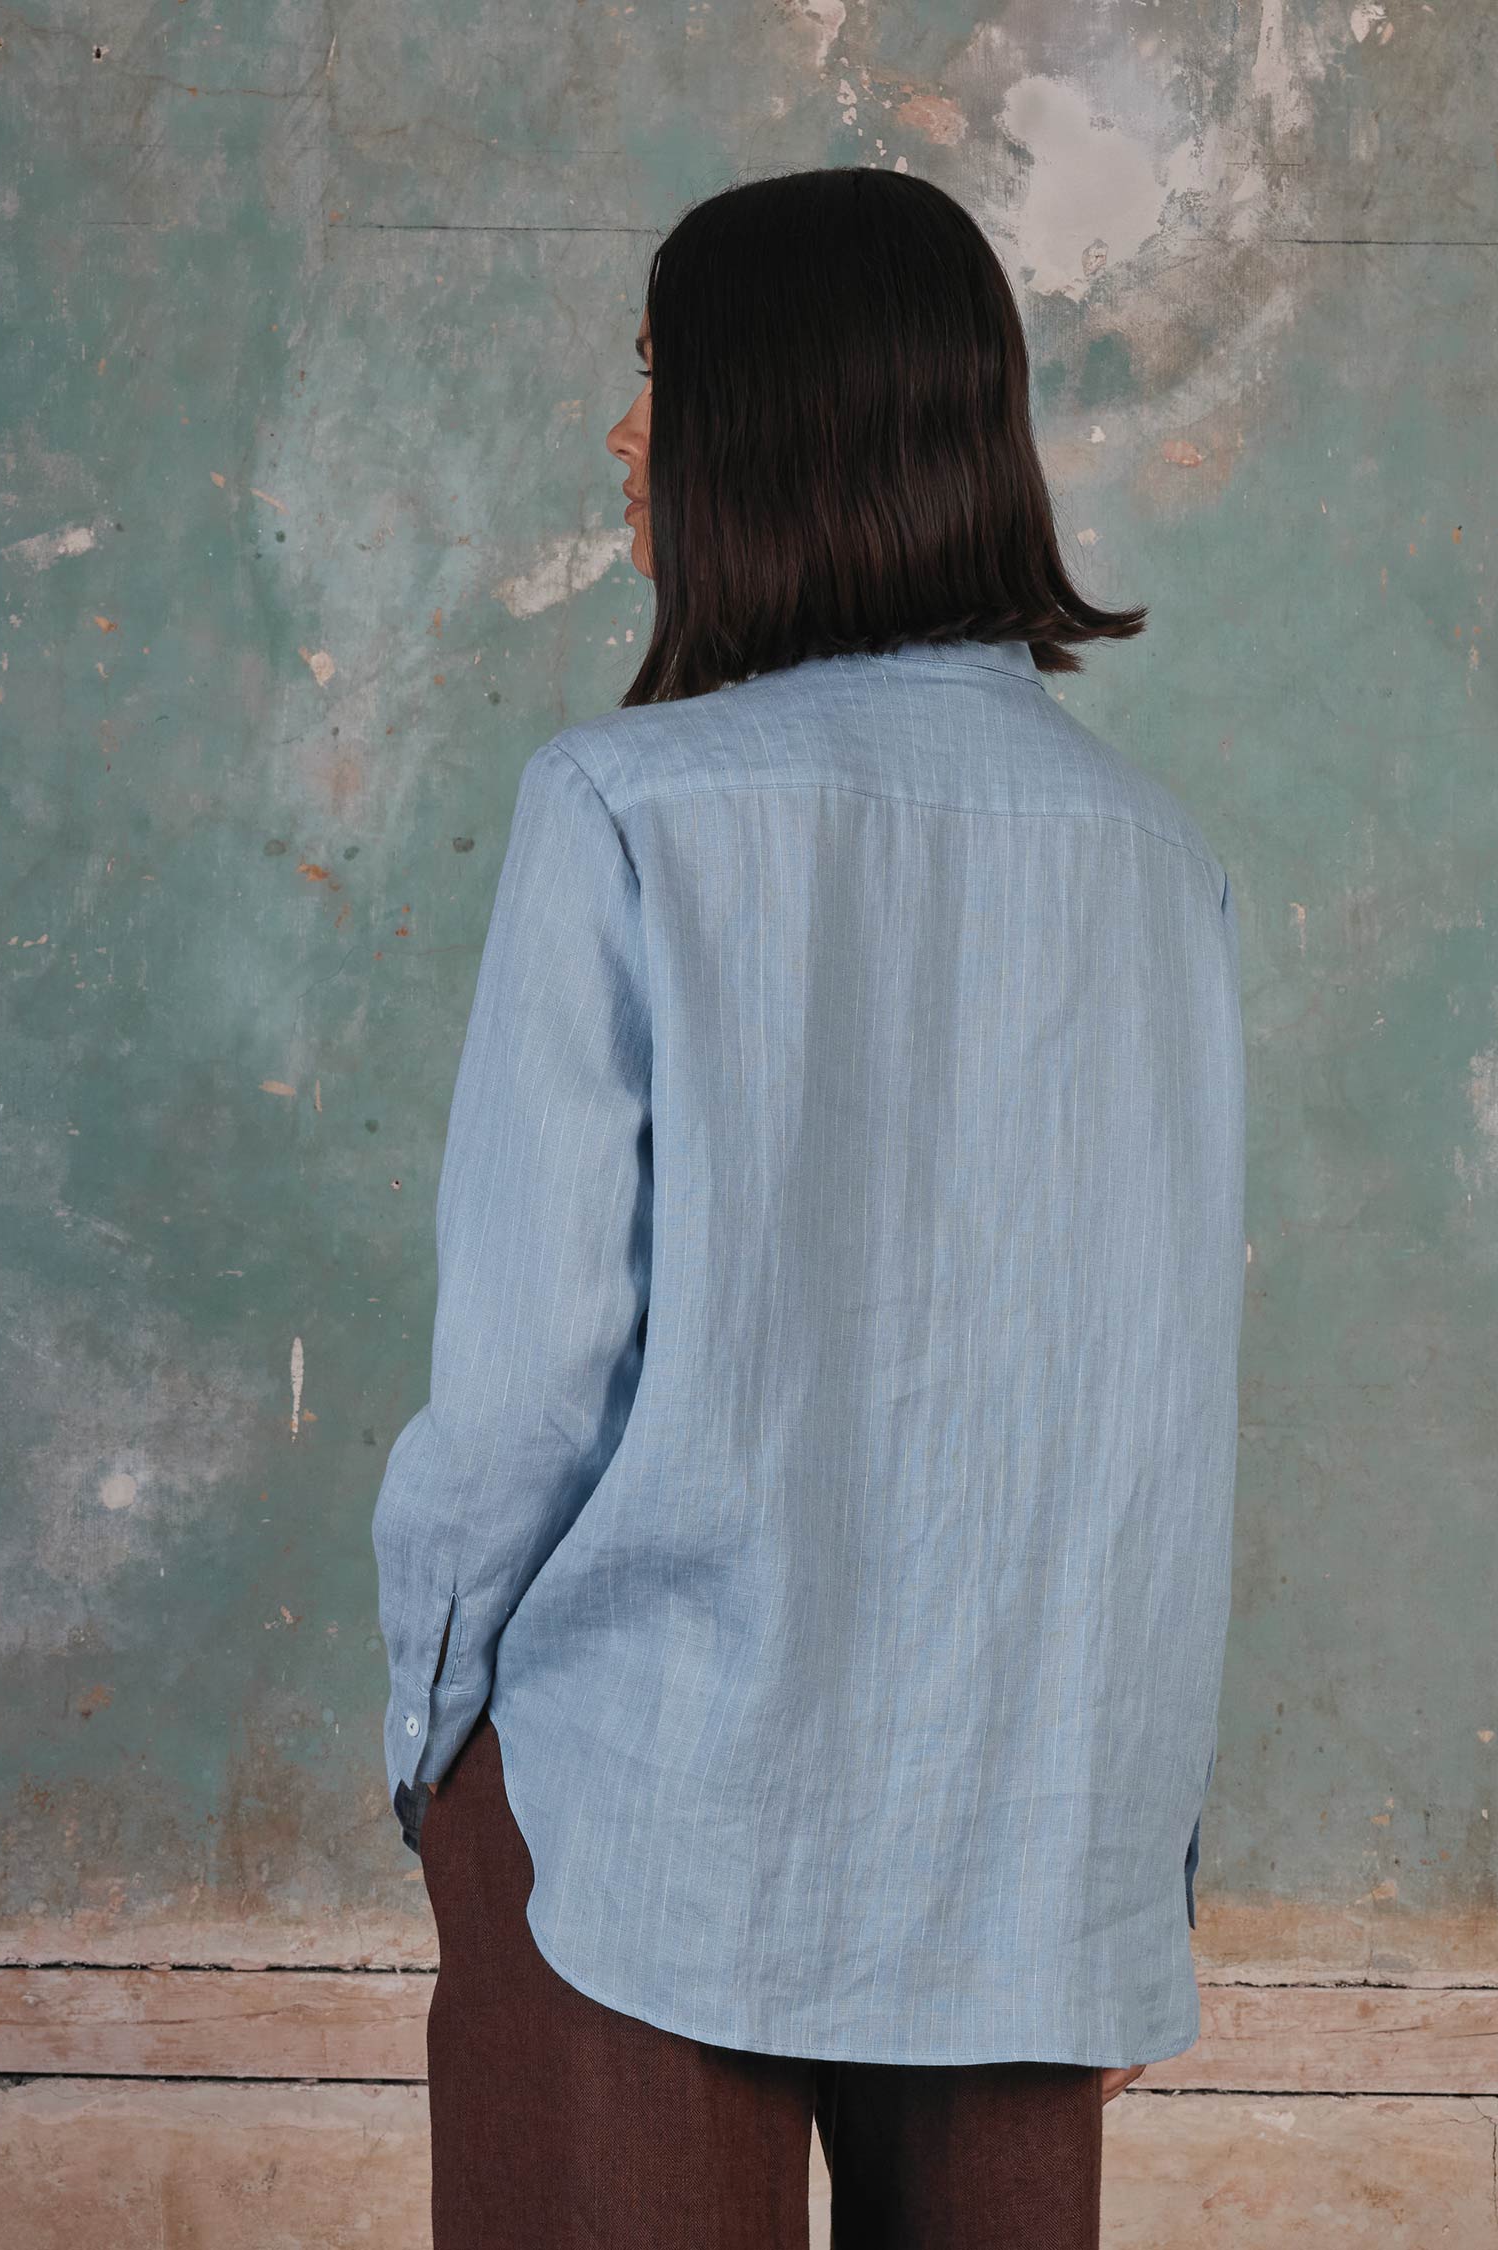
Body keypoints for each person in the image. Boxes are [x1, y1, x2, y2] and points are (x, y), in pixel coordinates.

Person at [373, 163, 1245, 2249]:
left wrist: (434, 1738)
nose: (625, 430)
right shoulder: (1150, 855)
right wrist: (1143, 1857)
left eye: (659, 374)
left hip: (645, 1799)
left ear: (771, 417)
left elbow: (527, 1384)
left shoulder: (620, 806)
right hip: (1032, 1819)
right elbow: (1158, 1402)